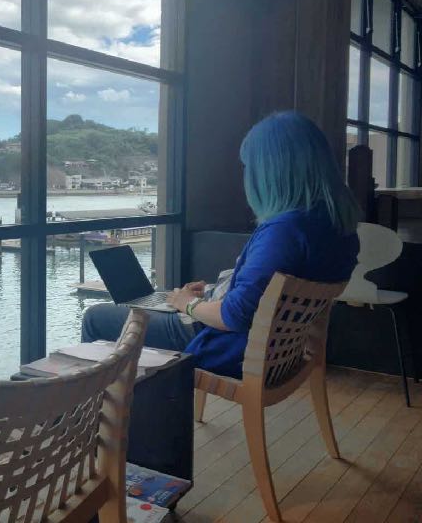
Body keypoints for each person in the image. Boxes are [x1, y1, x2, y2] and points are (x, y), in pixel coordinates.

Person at [81, 111, 361, 378]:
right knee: (161, 302)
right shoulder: (337, 227)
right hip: (281, 352)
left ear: (270, 171)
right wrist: (211, 293)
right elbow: (263, 296)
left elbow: (234, 316)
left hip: (225, 344)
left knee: (96, 317)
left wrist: (187, 304)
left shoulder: (284, 231)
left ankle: (99, 407)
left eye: (249, 167)